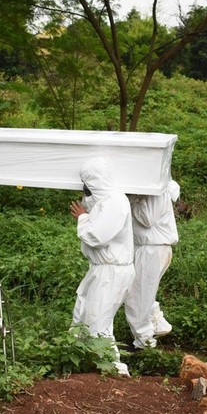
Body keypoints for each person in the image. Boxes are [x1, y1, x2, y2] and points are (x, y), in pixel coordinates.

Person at [69, 157, 136, 376]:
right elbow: (96, 211)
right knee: (85, 314)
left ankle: (114, 369)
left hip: (112, 271)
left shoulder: (115, 202)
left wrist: (82, 218)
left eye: (87, 182)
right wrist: (87, 210)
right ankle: (89, 363)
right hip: (103, 269)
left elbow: (97, 235)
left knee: (98, 321)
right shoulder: (106, 200)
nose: (85, 188)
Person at [124, 180, 180, 349]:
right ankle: (157, 324)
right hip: (150, 248)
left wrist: (131, 199)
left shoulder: (157, 192)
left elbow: (147, 219)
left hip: (153, 249)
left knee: (138, 298)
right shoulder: (151, 189)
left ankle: (144, 344)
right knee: (143, 293)